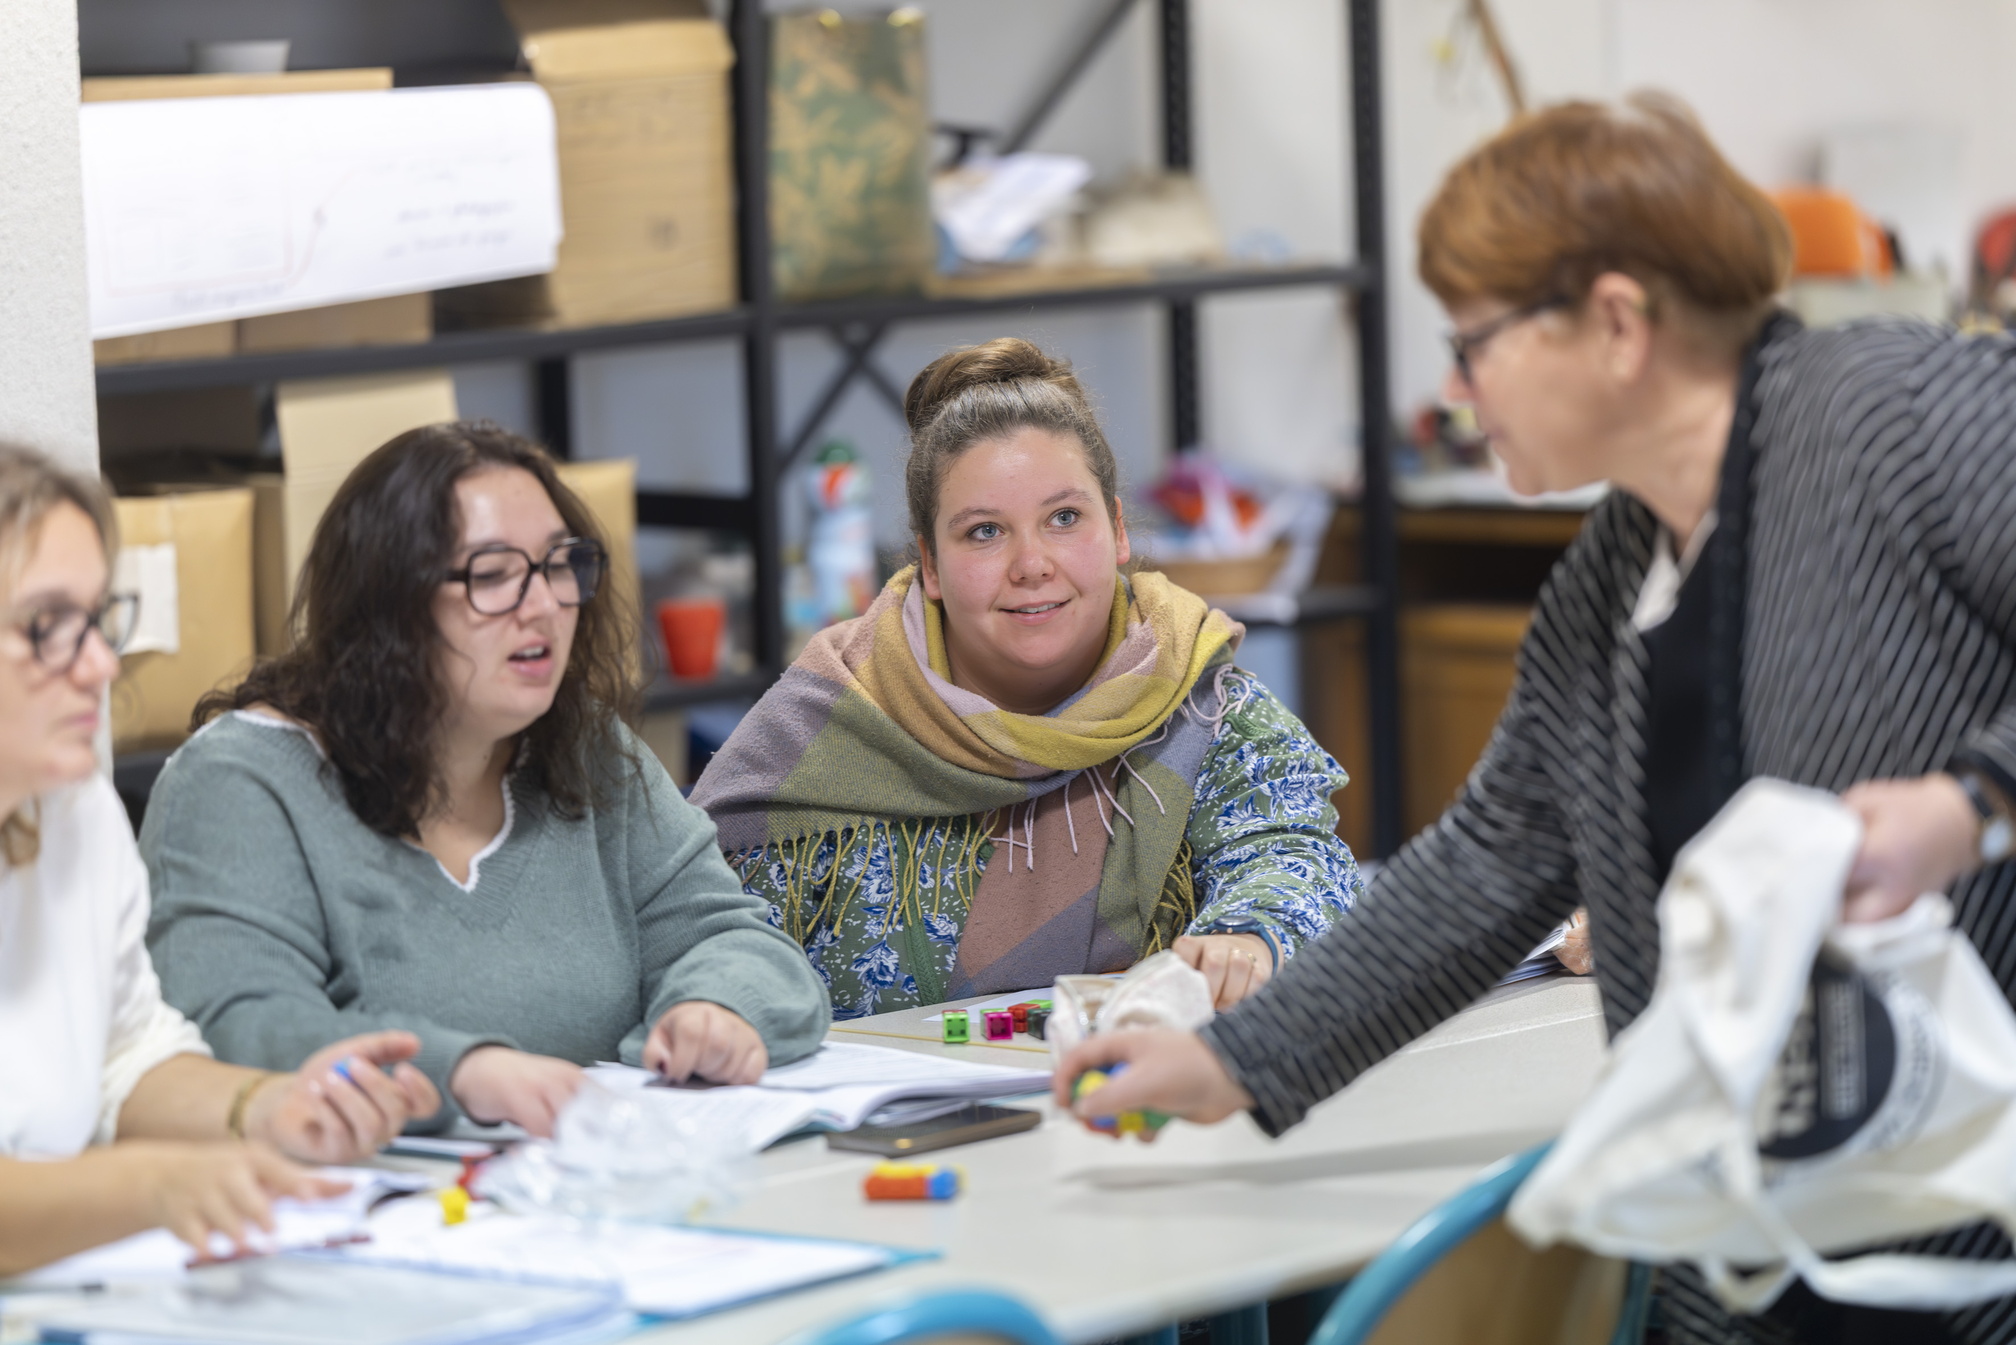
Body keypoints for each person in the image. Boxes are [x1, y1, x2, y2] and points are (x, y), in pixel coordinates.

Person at [1056, 94, 2016, 1345]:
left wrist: (1973, 802)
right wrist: (1239, 1062)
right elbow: (1490, 859)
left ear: (1616, 323)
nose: (1456, 393)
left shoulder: (1902, 416)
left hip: (1967, 1247)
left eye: (1476, 344)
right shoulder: (1614, 571)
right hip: (1762, 1253)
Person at [144, 423, 830, 1139]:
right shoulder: (239, 781)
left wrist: (716, 1007)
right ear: (388, 604)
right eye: (493, 574)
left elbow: (738, 941)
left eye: (559, 564)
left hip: (593, 1196)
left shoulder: (585, 745)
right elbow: (237, 1029)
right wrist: (465, 1072)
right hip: (361, 1212)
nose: (542, 605)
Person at [691, 338, 1361, 1018]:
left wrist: (1250, 939)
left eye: (1064, 518)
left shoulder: (1205, 706)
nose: (1031, 563)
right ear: (929, 564)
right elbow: (698, 925)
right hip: (869, 1120)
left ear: (1119, 530)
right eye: (984, 532)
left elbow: (1294, 858)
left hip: (1139, 1111)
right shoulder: (829, 716)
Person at [0, 445, 437, 1275]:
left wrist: (272, 1107)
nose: (99, 665)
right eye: (46, 628)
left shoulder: (72, 812)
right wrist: (149, 1186)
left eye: (98, 621)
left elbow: (124, 1057)